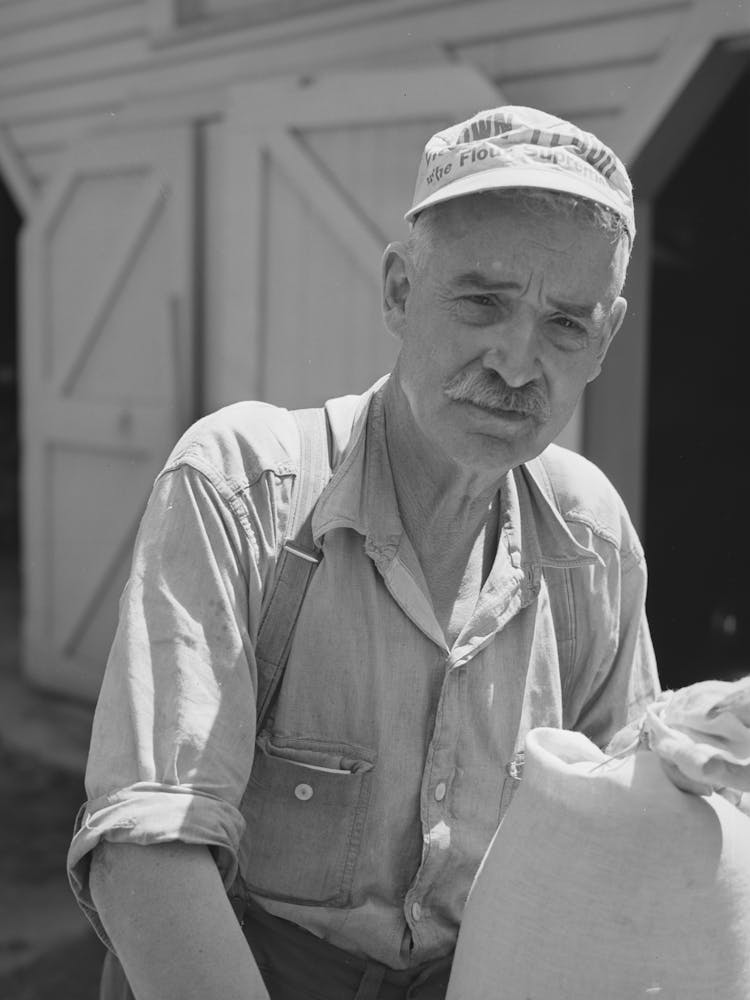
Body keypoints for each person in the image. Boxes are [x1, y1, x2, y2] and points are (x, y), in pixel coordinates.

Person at [68, 105, 660, 1000]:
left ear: (605, 340)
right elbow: (147, 853)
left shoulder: (589, 538)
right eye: (482, 301)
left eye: (565, 325)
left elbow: (622, 845)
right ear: (397, 292)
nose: (515, 360)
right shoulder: (245, 485)